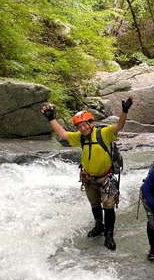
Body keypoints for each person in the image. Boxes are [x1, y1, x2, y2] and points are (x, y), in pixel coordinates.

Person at [40, 98, 133, 251]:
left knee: (108, 206)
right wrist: (51, 119)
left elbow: (119, 126)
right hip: (88, 177)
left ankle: (109, 234)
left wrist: (124, 111)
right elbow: (63, 134)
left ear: (91, 124)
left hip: (106, 177)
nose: (82, 129)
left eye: (84, 125)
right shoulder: (80, 138)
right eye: (79, 126)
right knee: (95, 204)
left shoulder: (104, 133)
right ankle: (99, 225)